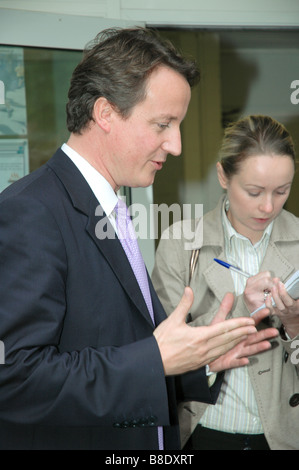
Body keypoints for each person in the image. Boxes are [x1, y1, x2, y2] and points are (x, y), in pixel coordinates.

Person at [0, 30, 276, 451]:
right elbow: (16, 379)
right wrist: (156, 360)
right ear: (105, 113)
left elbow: (121, 344)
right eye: (163, 124)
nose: (177, 145)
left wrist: (198, 361)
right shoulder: (29, 212)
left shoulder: (108, 205)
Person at [152, 114, 299, 450]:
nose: (268, 206)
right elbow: (160, 360)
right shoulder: (181, 244)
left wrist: (294, 324)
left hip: (282, 440)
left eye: (282, 191)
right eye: (253, 191)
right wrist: (243, 312)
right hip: (202, 435)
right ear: (222, 175)